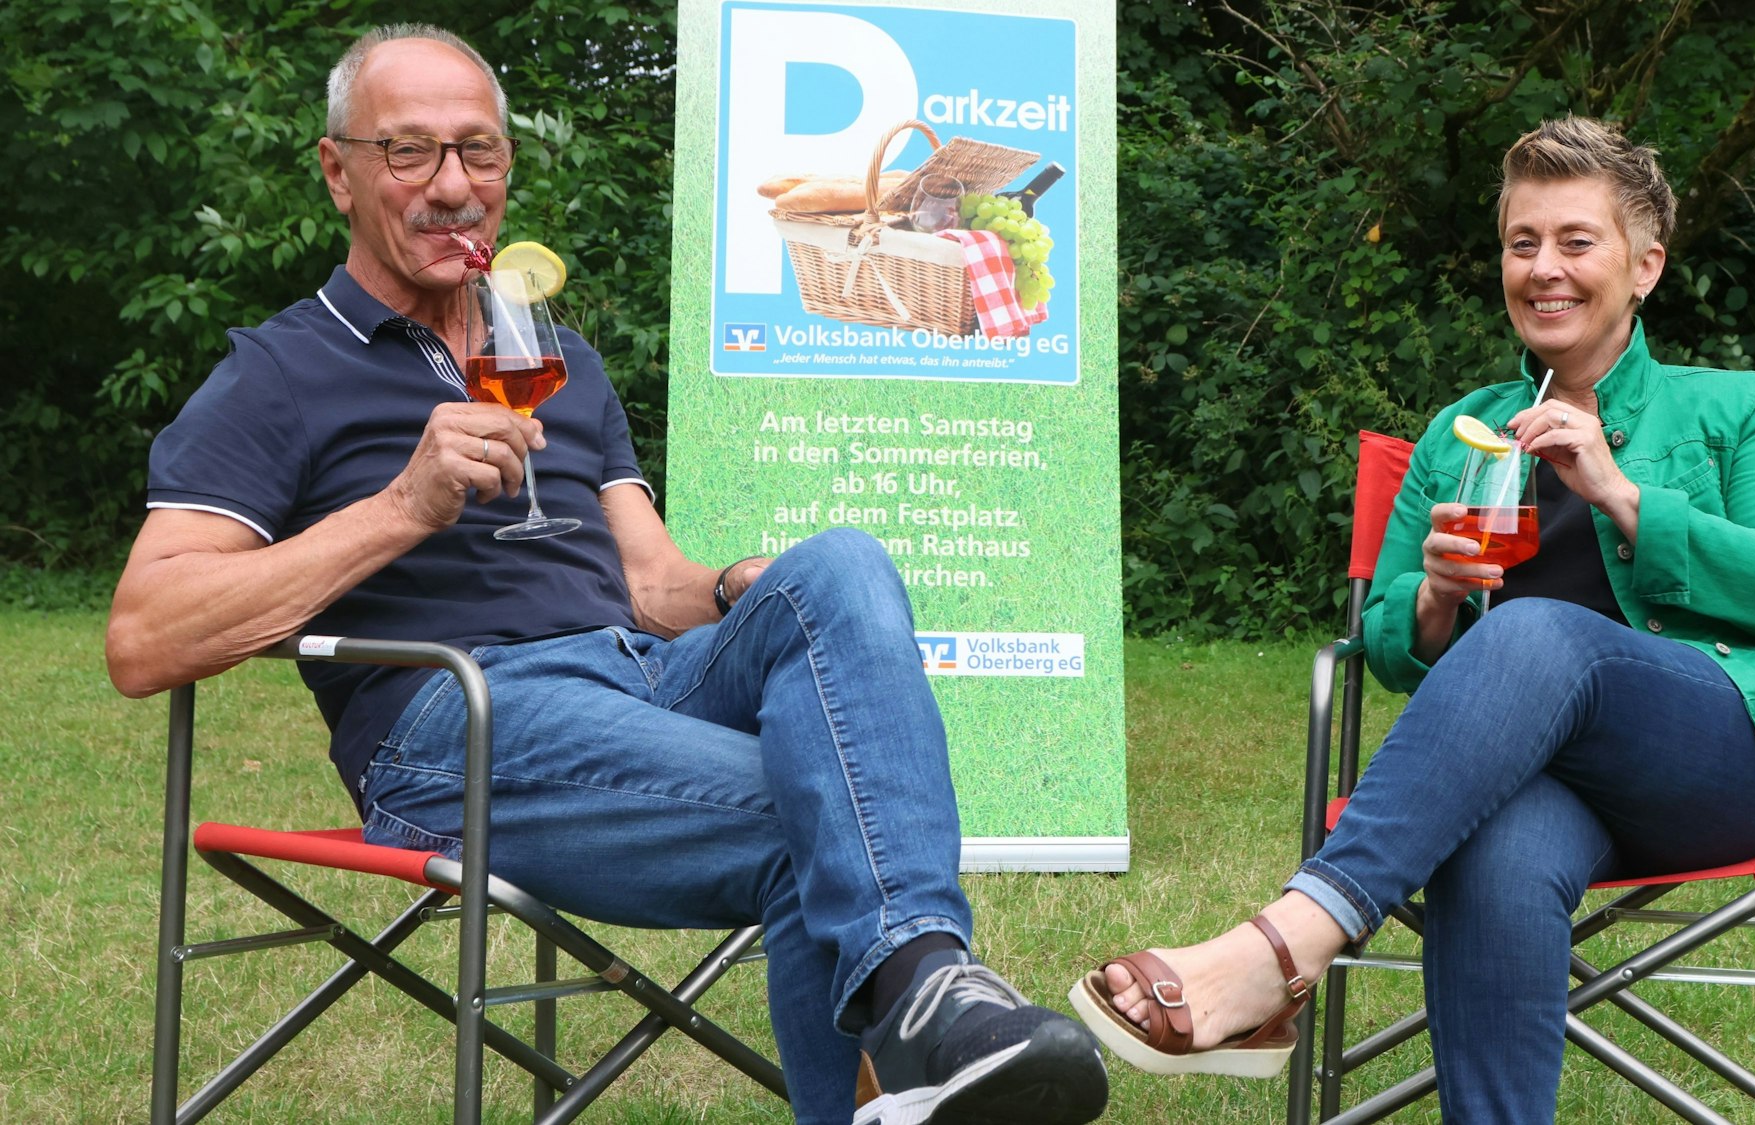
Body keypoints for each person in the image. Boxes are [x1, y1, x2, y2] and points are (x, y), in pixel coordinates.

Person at [103, 24, 1107, 1125]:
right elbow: (147, 638)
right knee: (832, 821)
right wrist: (402, 507)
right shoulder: (280, 370)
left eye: (478, 153)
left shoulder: (556, 357)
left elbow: (649, 585)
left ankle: (919, 995)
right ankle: (928, 1005)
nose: (453, 187)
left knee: (841, 566)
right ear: (337, 171)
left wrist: (733, 585)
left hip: (636, 675)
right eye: (410, 153)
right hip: (456, 721)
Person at [1070, 116, 1755, 1121]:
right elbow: (1384, 644)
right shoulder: (1458, 432)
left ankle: (1283, 949)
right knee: (1493, 848)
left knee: (1534, 628)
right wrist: (1431, 598)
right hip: (1527, 783)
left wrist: (1619, 493)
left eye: (1574, 241)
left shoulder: (1732, 408)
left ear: (1643, 266)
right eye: (1522, 243)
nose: (1542, 269)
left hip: (1713, 760)